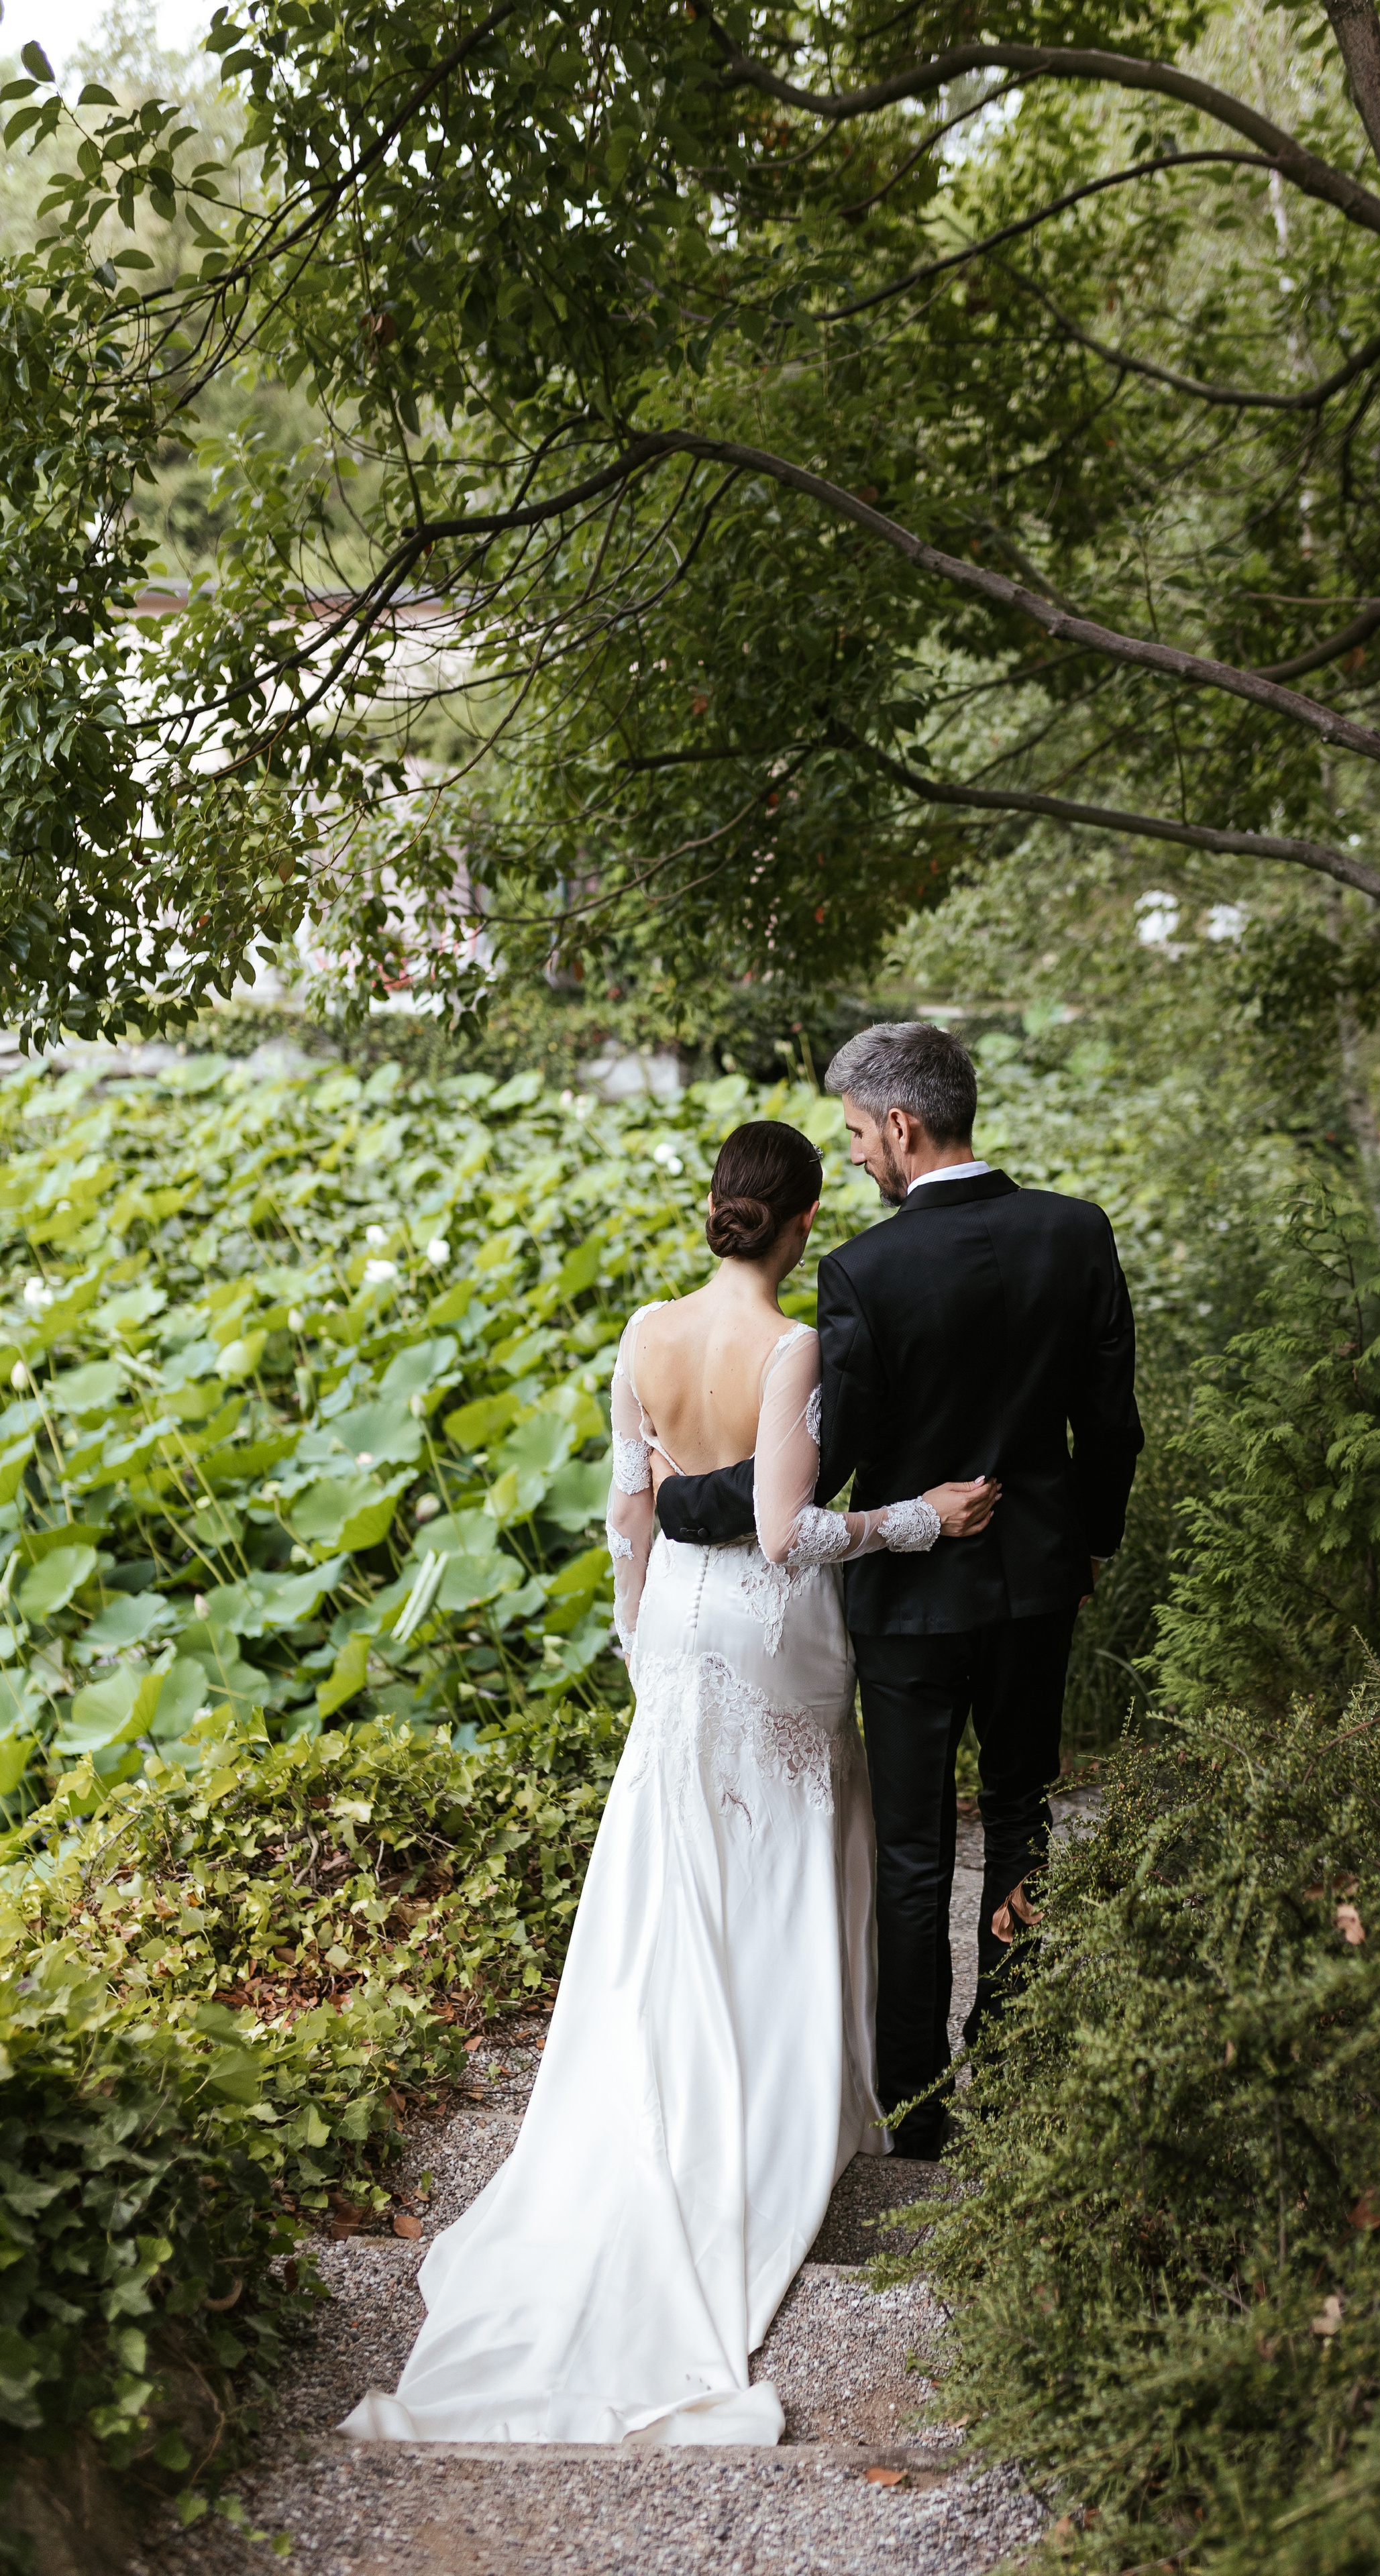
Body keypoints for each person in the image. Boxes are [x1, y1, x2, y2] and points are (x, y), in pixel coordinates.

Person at [339, 1119, 997, 2446]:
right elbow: (787, 1532)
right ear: (803, 1220)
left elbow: (625, 1513)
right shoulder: (796, 1343)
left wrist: (636, 1636)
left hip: (678, 1629)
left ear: (718, 1211)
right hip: (769, 1624)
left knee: (674, 1856)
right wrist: (923, 1516)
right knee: (791, 1848)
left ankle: (669, 2094)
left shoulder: (644, 1330)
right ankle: (791, 2110)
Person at [657, 1022, 1143, 2158]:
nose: (861, 1157)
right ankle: (1014, 2063)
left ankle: (920, 2112)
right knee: (1024, 1822)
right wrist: (1088, 1547)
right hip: (1035, 1590)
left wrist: (684, 1505)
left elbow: (816, 1463)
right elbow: (1110, 1423)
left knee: (917, 1849)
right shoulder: (1075, 1234)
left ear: (904, 1127)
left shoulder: (865, 1273)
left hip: (912, 1610)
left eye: (862, 1135)